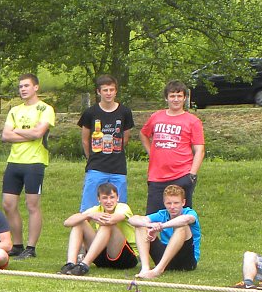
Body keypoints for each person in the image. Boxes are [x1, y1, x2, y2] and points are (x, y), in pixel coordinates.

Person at [0, 72, 55, 260]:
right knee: (8, 204)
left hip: (35, 162)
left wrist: (17, 130)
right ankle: (17, 245)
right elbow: (5, 135)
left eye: (26, 86)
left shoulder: (45, 108)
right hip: (14, 161)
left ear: (36, 87)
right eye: (20, 86)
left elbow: (38, 133)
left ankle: (31, 248)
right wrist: (27, 133)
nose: (23, 89)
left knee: (32, 205)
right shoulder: (15, 110)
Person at [140, 79, 204, 214]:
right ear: (166, 98)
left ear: (185, 98)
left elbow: (199, 150)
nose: (176, 99)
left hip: (182, 175)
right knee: (153, 218)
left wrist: (192, 174)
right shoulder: (156, 117)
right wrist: (151, 152)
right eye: (172, 96)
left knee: (180, 218)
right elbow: (143, 134)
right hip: (157, 176)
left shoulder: (193, 121)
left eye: (179, 96)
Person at [77, 75, 136, 209]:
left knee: (119, 208)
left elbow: (125, 138)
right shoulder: (90, 112)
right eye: (105, 90)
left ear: (116, 91)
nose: (108, 93)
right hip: (96, 167)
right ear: (99, 92)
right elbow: (85, 140)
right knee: (88, 208)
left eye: (111, 90)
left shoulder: (125, 112)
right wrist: (91, 157)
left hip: (118, 167)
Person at [59, 182, 140, 276]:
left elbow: (112, 219)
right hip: (102, 256)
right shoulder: (96, 209)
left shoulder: (123, 207)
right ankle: (70, 264)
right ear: (99, 199)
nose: (109, 201)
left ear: (117, 198)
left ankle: (84, 265)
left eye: (112, 197)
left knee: (107, 225)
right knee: (80, 222)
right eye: (105, 198)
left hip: (126, 258)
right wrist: (89, 215)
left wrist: (96, 217)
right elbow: (67, 223)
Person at [127, 184, 201, 278]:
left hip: (186, 261)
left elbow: (185, 220)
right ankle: (145, 268)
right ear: (164, 203)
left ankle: (158, 270)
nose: (172, 207)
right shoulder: (162, 214)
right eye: (169, 203)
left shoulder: (189, 213)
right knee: (140, 226)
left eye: (176, 203)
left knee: (182, 226)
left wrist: (161, 226)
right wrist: (150, 225)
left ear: (183, 202)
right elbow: (132, 219)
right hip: (165, 257)